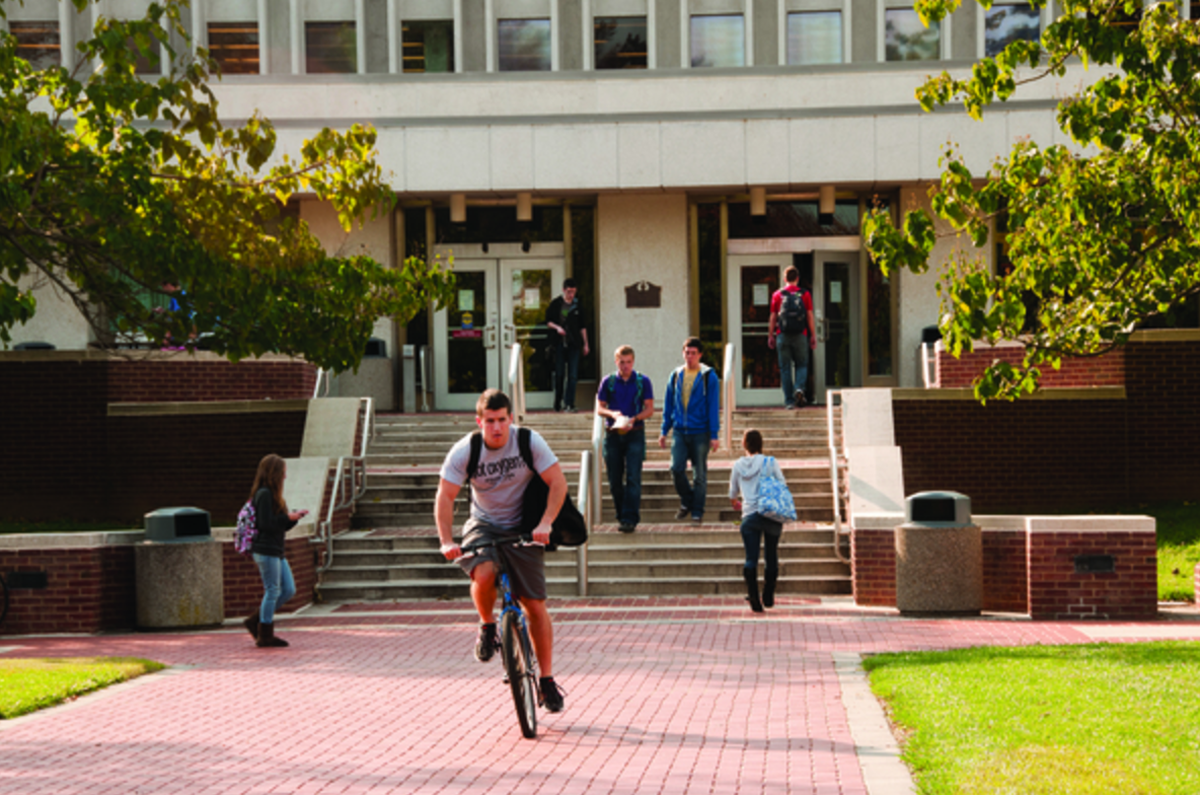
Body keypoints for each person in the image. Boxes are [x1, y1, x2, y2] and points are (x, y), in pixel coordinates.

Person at [435, 388, 567, 713]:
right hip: (484, 524)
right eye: (490, 421)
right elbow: (445, 496)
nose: (496, 428)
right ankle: (487, 625)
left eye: (502, 420)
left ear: (511, 419)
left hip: (526, 524)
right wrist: (446, 540)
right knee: (484, 572)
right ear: (479, 421)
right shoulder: (466, 450)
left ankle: (547, 681)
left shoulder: (528, 442)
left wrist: (546, 523)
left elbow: (558, 482)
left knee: (535, 606)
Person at [245, 454, 308, 648]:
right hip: (265, 549)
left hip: (275, 549)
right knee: (272, 590)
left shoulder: (273, 495)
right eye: (283, 472)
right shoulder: (264, 494)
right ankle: (265, 635)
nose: (285, 476)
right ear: (275, 473)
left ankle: (256, 620)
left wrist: (293, 518)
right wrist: (286, 518)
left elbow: (280, 525)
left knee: (288, 590)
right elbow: (266, 524)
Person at [658, 337, 721, 525]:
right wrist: (664, 430)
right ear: (682, 353)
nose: (690, 356)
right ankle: (687, 500)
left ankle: (697, 511)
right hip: (679, 431)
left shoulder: (708, 375)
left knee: (699, 474)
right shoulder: (676, 375)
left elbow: (713, 406)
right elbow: (668, 405)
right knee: (676, 468)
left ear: (700, 355)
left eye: (694, 353)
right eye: (687, 352)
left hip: (700, 432)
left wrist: (714, 434)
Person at [596, 345, 655, 533]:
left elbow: (649, 409)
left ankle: (630, 518)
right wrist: (612, 414)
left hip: (634, 432)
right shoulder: (608, 381)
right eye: (622, 362)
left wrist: (634, 418)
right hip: (613, 434)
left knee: (633, 477)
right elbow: (599, 407)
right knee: (614, 479)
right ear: (616, 362)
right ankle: (622, 515)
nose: (625, 366)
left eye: (628, 362)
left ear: (633, 362)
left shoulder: (643, 381)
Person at [729, 429, 786, 613]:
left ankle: (753, 596)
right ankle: (768, 594)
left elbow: (732, 493)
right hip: (770, 514)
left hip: (749, 515)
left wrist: (737, 502)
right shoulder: (770, 462)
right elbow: (782, 484)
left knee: (750, 558)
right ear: (761, 444)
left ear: (744, 444)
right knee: (771, 555)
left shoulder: (738, 465)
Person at [768, 266, 817, 408]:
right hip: (801, 335)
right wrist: (813, 335)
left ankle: (789, 401)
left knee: (785, 368)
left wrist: (770, 335)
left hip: (782, 335)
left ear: (784, 279)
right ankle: (799, 388)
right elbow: (809, 316)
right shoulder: (805, 294)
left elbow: (772, 317)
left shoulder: (777, 295)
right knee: (802, 364)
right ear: (797, 279)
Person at [545, 278, 590, 412]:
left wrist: (586, 344)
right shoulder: (556, 304)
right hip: (559, 344)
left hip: (574, 344)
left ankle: (569, 403)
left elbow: (583, 326)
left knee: (573, 375)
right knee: (559, 374)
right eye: (569, 292)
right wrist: (557, 328)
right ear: (564, 290)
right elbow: (548, 321)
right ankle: (557, 403)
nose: (571, 295)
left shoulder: (577, 305)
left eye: (574, 292)